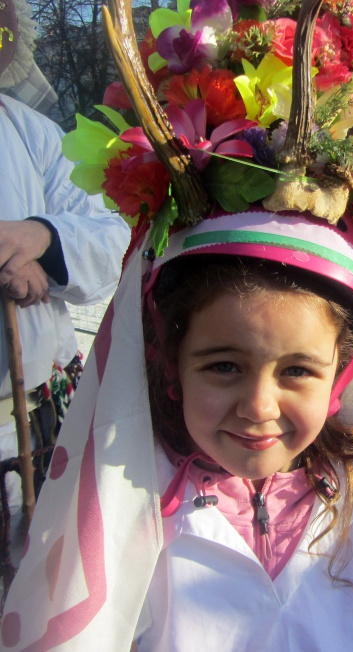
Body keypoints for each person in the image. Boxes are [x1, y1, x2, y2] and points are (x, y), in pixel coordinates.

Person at [1, 1, 353, 650]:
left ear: (344, 372)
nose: (259, 406)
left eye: (298, 370)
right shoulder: (133, 518)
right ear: (171, 361)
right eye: (223, 365)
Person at [0, 0, 130, 549]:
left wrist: (44, 238)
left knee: (38, 575)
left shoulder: (30, 132)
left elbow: (111, 234)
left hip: (37, 420)